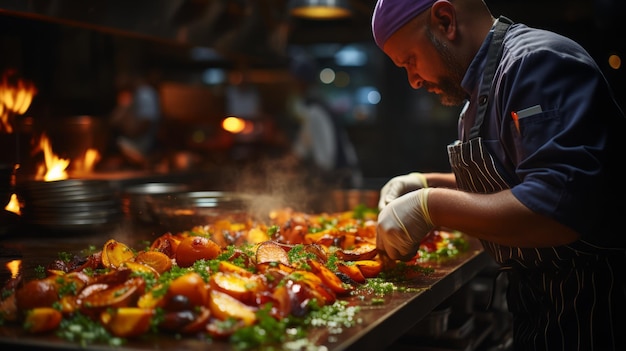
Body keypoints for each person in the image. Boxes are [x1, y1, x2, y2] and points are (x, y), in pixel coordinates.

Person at [371, 0, 626, 350]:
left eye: (410, 61)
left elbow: (554, 208)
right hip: (541, 311)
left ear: (445, 20)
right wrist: (424, 182)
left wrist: (430, 205)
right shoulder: (474, 100)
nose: (413, 80)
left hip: (598, 312)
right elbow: (510, 180)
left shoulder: (535, 64)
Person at [287, 50, 363, 189]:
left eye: (294, 80)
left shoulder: (315, 111)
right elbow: (301, 149)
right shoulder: (317, 106)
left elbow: (323, 161)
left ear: (301, 82)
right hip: (340, 179)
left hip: (342, 183)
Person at [108, 71, 162, 168]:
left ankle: (145, 162)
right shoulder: (130, 95)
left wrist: (130, 133)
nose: (118, 80)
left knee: (120, 143)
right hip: (130, 141)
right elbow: (113, 121)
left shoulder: (145, 93)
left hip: (143, 145)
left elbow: (146, 122)